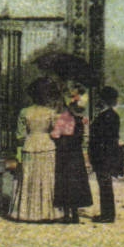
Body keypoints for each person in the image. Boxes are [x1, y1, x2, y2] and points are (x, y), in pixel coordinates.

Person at [9, 77, 59, 223]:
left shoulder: (24, 112)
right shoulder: (51, 112)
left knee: (28, 179)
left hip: (29, 146)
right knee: (46, 179)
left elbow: (19, 135)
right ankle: (46, 212)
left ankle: (27, 213)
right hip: (47, 146)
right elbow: (56, 133)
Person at [51, 85, 93, 224]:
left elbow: (55, 134)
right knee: (76, 181)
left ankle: (67, 213)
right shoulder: (83, 120)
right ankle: (75, 213)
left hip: (64, 151)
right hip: (76, 152)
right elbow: (85, 137)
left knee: (64, 181)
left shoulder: (63, 117)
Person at [89, 86, 124, 223]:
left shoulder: (107, 116)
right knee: (105, 184)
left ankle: (108, 214)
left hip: (103, 154)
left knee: (105, 184)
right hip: (106, 154)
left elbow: (107, 138)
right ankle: (107, 213)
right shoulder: (110, 115)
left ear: (104, 100)